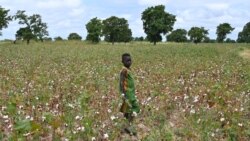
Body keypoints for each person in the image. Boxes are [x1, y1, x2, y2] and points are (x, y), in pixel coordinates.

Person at [119, 53, 140, 136]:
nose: (129, 62)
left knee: (127, 110)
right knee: (135, 108)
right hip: (127, 94)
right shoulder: (124, 70)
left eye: (130, 60)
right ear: (122, 61)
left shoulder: (128, 69)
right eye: (127, 60)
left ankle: (126, 126)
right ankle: (128, 126)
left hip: (131, 93)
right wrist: (123, 94)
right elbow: (121, 82)